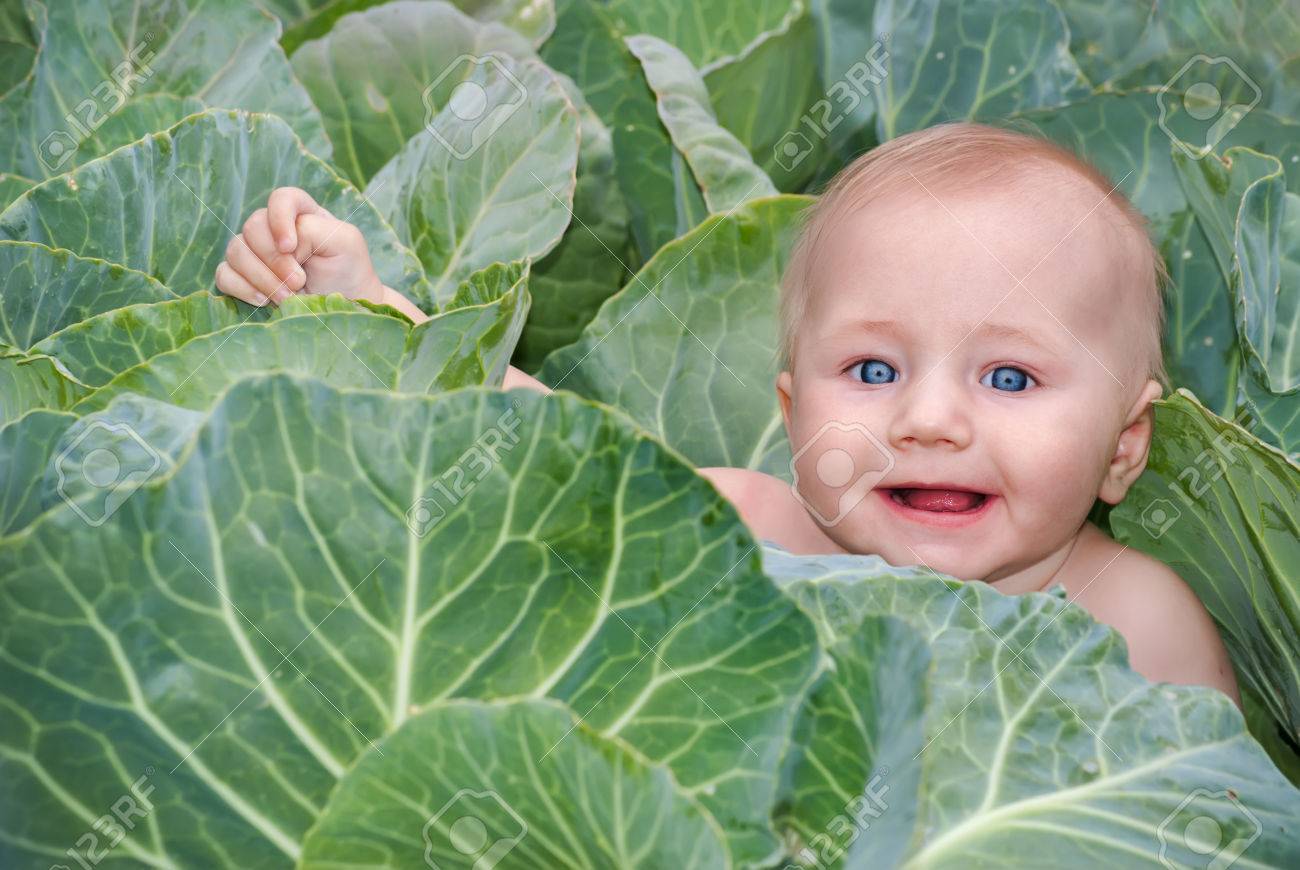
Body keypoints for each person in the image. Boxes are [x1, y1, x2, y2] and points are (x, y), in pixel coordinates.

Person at [213, 121, 1239, 705]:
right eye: (872, 370)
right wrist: (359, 303)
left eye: (1008, 379)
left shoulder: (1141, 624)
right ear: (791, 415)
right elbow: (544, 442)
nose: (928, 419)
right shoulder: (749, 530)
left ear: (1125, 449)